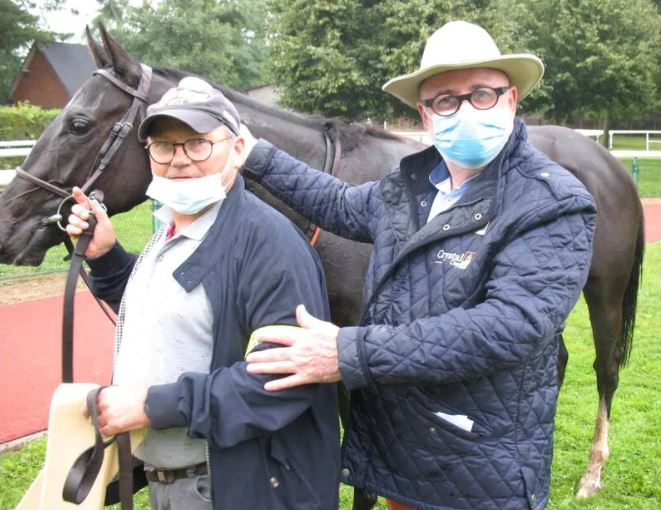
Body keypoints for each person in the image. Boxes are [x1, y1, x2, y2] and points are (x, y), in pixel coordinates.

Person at [240, 20, 596, 510]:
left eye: (482, 95)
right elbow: (340, 203)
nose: (466, 110)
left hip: (477, 464)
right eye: (446, 100)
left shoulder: (553, 201)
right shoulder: (410, 187)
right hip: (404, 455)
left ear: (511, 100)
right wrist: (253, 154)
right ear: (426, 116)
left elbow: (510, 326)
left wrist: (347, 353)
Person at [65, 77, 339, 510]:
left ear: (235, 148)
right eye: (164, 146)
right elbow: (170, 315)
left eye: (197, 144)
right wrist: (106, 258)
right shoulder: (171, 229)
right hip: (171, 484)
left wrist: (153, 406)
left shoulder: (269, 243)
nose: (179, 160)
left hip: (237, 487)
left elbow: (282, 381)